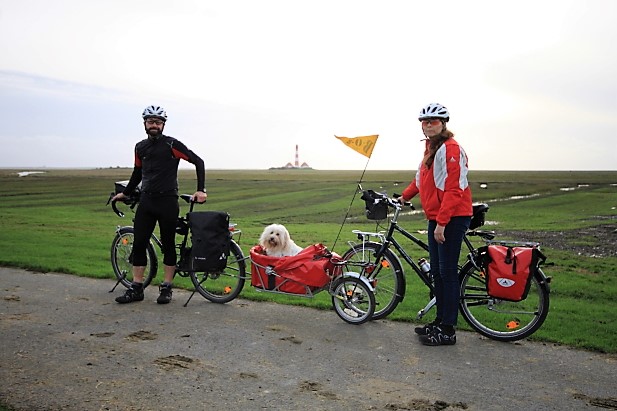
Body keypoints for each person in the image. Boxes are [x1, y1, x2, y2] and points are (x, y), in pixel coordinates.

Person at [112, 105, 207, 304]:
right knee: (139, 243)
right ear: (144, 124)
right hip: (146, 201)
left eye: (158, 122)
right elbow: (137, 172)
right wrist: (125, 193)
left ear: (163, 124)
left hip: (167, 200)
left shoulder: (172, 144)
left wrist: (201, 190)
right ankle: (137, 288)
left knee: (169, 245)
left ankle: (166, 287)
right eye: (150, 122)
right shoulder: (140, 147)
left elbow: (198, 161)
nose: (154, 125)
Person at [399, 103, 472, 346]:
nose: (428, 125)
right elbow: (420, 180)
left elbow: (454, 189)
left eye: (433, 121)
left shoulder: (451, 149)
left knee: (448, 273)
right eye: (424, 121)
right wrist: (402, 197)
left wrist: (442, 223)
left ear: (443, 123)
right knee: (438, 274)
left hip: (452, 217)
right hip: (436, 218)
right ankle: (440, 322)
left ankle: (448, 331)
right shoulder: (431, 148)